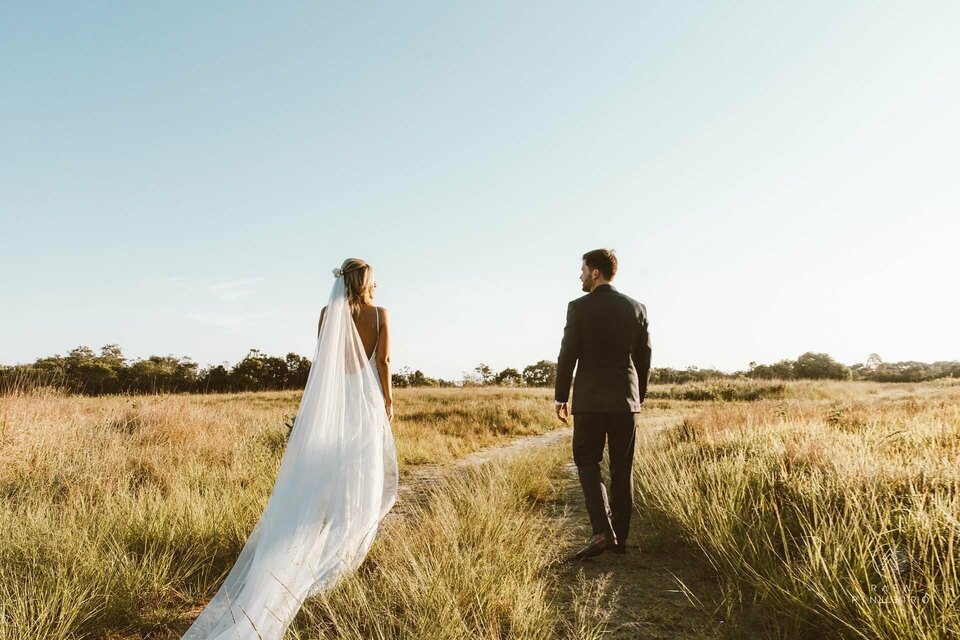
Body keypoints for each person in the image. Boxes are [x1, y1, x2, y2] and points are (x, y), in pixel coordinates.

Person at [182, 258, 398, 639]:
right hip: (364, 404)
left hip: (334, 405)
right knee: (360, 477)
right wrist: (388, 403)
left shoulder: (326, 313)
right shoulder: (380, 315)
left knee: (323, 479)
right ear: (367, 282)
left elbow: (327, 362)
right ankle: (341, 555)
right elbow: (383, 361)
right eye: (374, 281)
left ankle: (312, 546)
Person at [554, 248, 651, 561]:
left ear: (595, 272)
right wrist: (639, 395)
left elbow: (568, 353)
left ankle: (602, 531)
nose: (580, 275)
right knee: (623, 469)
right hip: (627, 401)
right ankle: (618, 540)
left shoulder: (579, 307)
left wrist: (560, 395)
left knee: (586, 458)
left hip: (591, 400)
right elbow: (644, 359)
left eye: (582, 269)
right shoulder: (637, 308)